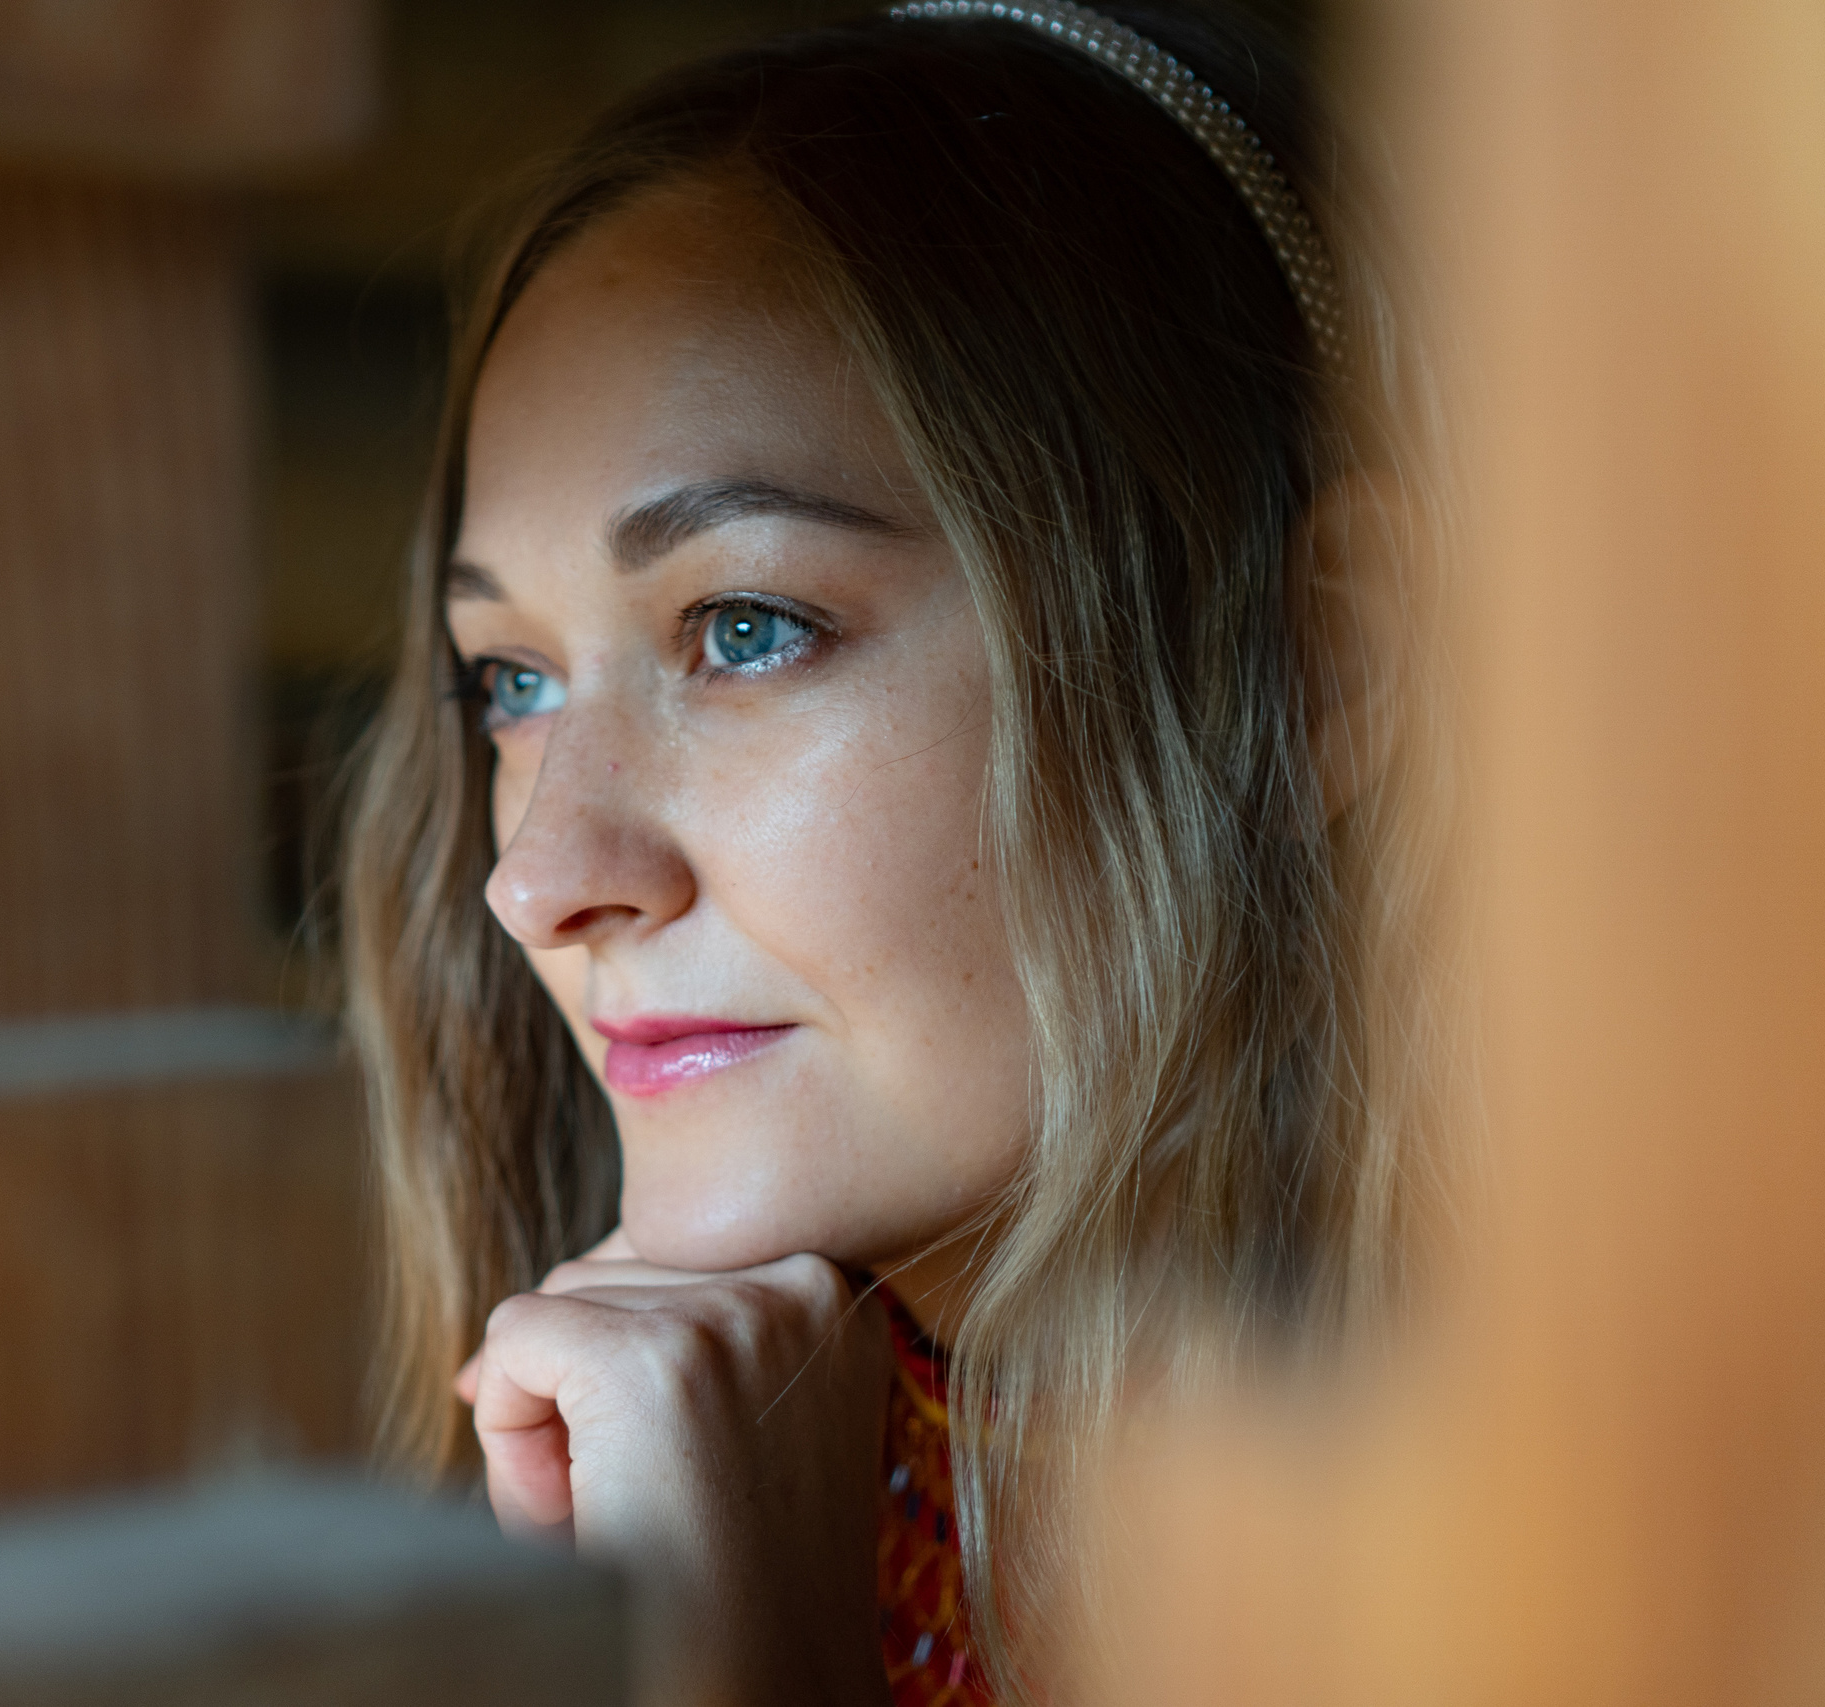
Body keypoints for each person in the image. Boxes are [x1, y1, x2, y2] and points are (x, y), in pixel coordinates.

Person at [336, 4, 1444, 1701]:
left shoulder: (1628, 1548)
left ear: (1314, 679)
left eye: (748, 628)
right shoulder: (605, 1454)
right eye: (515, 681)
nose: (545, 876)